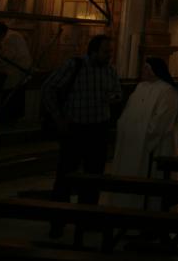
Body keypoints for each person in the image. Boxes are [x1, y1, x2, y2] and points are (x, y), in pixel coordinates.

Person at [42, 34, 121, 236]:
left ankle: (86, 219)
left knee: (93, 177)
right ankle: (57, 220)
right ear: (93, 51)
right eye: (106, 52)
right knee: (65, 177)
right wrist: (58, 117)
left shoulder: (110, 70)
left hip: (98, 129)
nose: (109, 56)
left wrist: (112, 98)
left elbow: (117, 93)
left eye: (110, 52)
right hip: (75, 129)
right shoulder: (74, 66)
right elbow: (49, 88)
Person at [109, 57, 178, 209]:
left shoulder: (168, 91)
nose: (144, 71)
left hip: (154, 146)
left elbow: (162, 121)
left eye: (147, 68)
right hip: (133, 142)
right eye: (144, 68)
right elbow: (128, 112)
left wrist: (145, 135)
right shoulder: (140, 87)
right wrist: (125, 127)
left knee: (151, 185)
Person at [0, 22, 33, 123]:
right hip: (16, 70)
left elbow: (7, 57)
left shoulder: (10, 38)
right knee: (13, 94)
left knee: (12, 95)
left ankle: (8, 118)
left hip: (18, 70)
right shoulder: (12, 36)